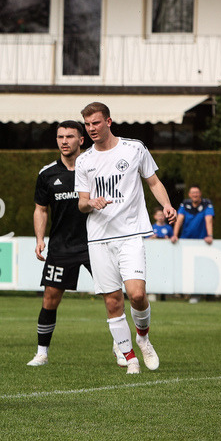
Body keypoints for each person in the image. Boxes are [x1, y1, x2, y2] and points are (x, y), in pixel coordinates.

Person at [75, 102, 176, 374]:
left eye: (96, 123)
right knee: (112, 301)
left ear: (109, 121)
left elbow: (153, 181)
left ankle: (142, 338)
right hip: (98, 238)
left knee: (137, 294)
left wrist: (166, 205)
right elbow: (81, 203)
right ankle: (130, 358)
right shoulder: (83, 160)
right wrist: (91, 203)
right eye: (87, 124)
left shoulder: (134, 148)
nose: (92, 128)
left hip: (130, 234)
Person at [27, 120, 92, 366]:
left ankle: (121, 348)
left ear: (81, 140)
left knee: (112, 295)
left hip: (95, 243)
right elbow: (40, 209)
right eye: (60, 137)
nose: (64, 141)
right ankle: (42, 352)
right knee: (50, 298)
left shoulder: (96, 167)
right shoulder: (47, 174)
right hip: (61, 246)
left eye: (70, 137)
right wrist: (40, 239)